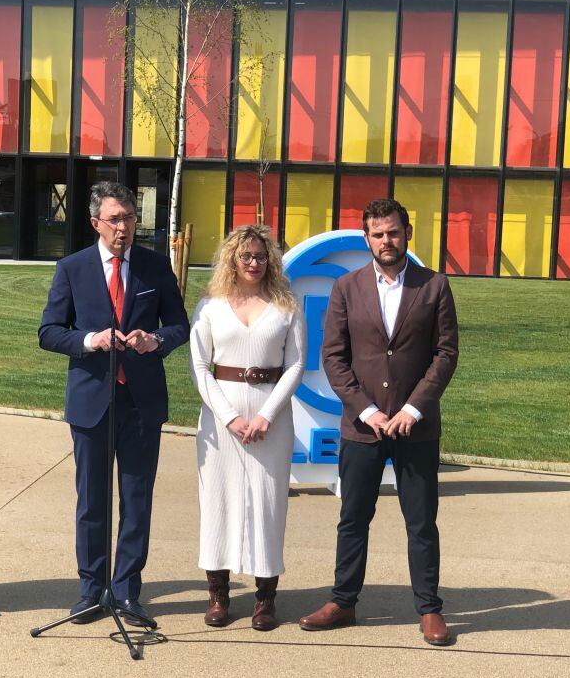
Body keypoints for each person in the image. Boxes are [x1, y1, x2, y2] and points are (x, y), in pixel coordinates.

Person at [299, 198, 459, 645]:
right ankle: (343, 601)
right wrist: (367, 410)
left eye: (393, 232)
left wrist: (413, 408)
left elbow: (445, 354)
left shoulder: (435, 286)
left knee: (421, 521)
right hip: (362, 428)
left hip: (416, 428)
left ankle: (429, 609)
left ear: (408, 233)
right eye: (378, 234)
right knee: (353, 518)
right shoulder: (346, 288)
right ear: (367, 238)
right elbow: (334, 357)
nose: (386, 241)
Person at [38, 181, 189, 628]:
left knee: (137, 500)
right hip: (92, 402)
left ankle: (126, 591)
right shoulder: (72, 268)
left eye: (130, 218)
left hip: (142, 403)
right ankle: (91, 590)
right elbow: (49, 331)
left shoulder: (155, 267)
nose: (124, 227)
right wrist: (90, 340)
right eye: (115, 219)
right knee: (92, 500)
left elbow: (179, 326)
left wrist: (154, 339)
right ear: (95, 223)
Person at [189, 225, 305, 631]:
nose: (254, 263)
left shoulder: (287, 307)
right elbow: (200, 366)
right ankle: (218, 595)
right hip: (220, 421)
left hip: (272, 420)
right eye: (246, 256)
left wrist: (266, 415)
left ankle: (265, 598)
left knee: (269, 504)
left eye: (260, 256)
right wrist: (230, 417)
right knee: (217, 501)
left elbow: (295, 365)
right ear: (232, 260)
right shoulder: (210, 306)